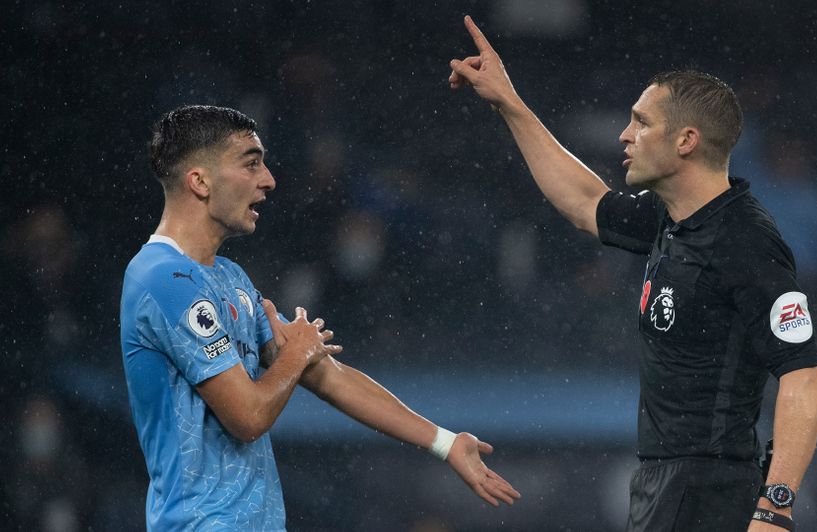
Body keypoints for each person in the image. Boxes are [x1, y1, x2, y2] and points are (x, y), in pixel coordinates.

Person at [448, 16, 817, 532]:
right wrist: (509, 102)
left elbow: (804, 377)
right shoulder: (671, 217)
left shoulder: (746, 242)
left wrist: (774, 508)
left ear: (686, 140)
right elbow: (584, 201)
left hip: (709, 490)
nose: (625, 134)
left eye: (641, 122)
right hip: (664, 481)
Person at [119, 105, 520, 530]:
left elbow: (329, 377)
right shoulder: (165, 279)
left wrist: (444, 442)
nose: (268, 179)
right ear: (199, 181)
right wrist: (297, 354)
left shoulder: (227, 277)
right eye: (251, 164)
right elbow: (248, 417)